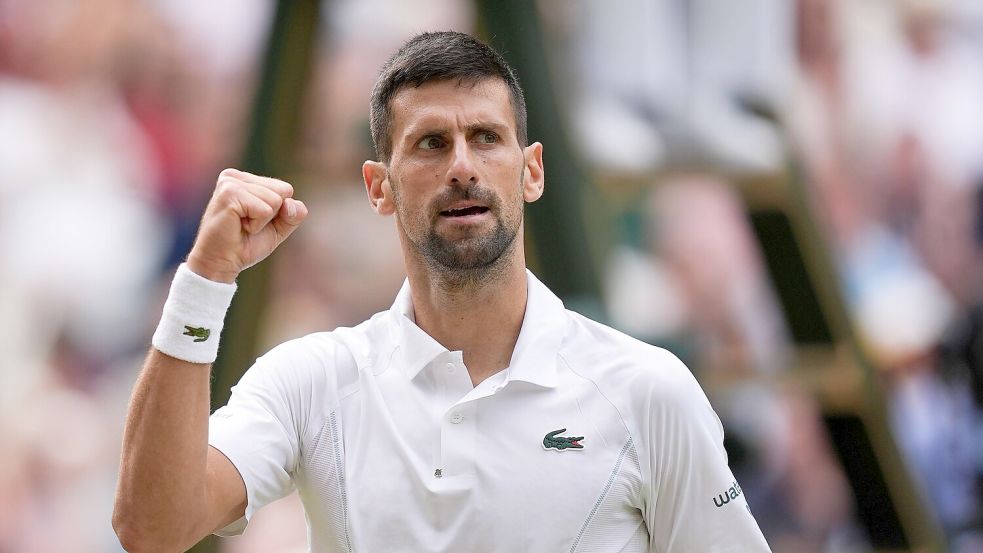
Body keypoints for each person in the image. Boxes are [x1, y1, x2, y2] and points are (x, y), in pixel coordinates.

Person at [112, 31, 772, 552]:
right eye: (430, 143)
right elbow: (152, 527)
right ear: (379, 186)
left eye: (485, 137)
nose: (461, 165)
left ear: (530, 170)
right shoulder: (311, 380)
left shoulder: (647, 390)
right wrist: (202, 282)